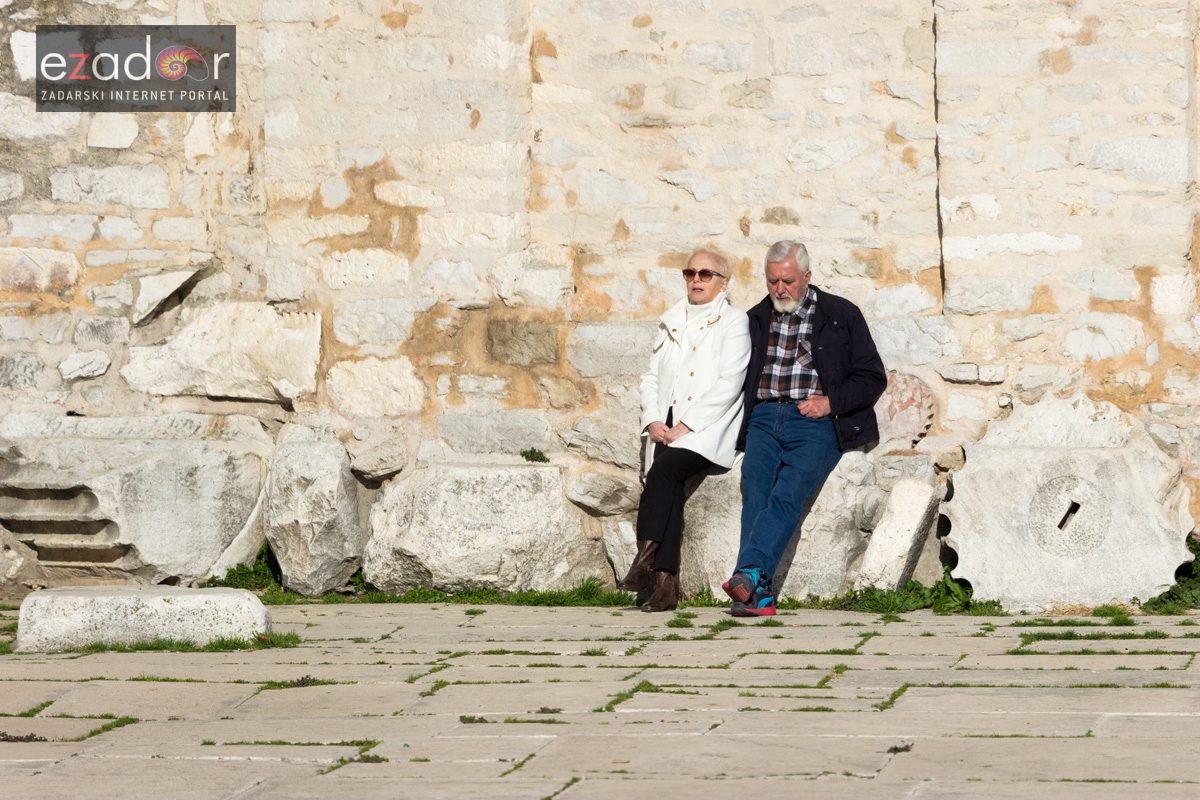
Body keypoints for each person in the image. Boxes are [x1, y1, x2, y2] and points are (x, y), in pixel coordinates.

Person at [722, 240, 887, 616]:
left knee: (789, 490)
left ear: (807, 277)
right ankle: (756, 593)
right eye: (773, 281)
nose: (780, 289)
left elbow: (872, 377)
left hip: (815, 419)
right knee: (756, 488)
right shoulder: (754, 319)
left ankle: (747, 576)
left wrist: (830, 402)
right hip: (764, 416)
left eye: (788, 281)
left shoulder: (840, 314)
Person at [617, 249, 751, 612]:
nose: (696, 279)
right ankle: (664, 587)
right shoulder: (671, 319)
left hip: (707, 427)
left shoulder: (734, 321)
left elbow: (730, 382)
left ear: (723, 283)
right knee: (667, 485)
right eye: (690, 272)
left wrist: (686, 427)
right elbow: (650, 377)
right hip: (666, 426)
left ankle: (643, 563)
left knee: (663, 472)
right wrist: (653, 420)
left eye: (706, 274)